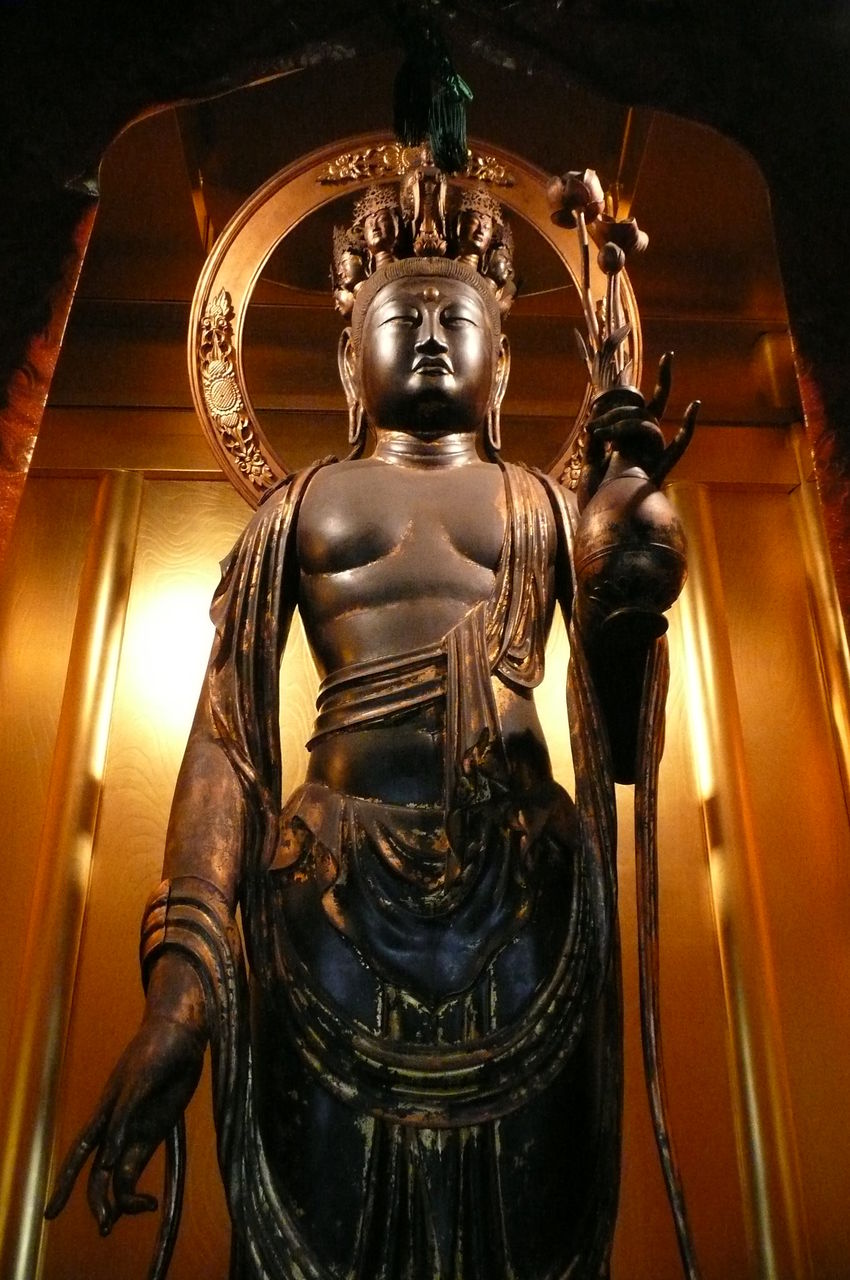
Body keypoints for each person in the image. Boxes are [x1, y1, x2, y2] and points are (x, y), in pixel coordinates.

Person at [46, 168, 694, 1279]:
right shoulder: (297, 510)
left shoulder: (546, 507)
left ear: (504, 364)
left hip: (525, 897)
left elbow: (622, 747)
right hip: (327, 898)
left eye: (458, 319)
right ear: (351, 360)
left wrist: (631, 577)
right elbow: (226, 742)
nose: (433, 336)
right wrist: (183, 990)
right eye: (404, 318)